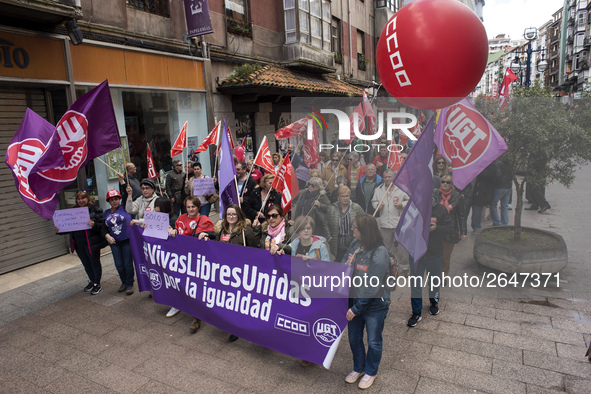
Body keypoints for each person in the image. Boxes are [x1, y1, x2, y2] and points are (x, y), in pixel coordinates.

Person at [343, 214, 390, 390]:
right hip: (355, 301)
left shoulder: (380, 252)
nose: (352, 229)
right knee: (354, 338)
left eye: (355, 227)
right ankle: (359, 368)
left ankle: (371, 371)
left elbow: (372, 286)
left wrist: (357, 308)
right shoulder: (355, 245)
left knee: (373, 340)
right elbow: (343, 264)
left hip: (374, 306)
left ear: (364, 231)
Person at [198, 204, 257, 343]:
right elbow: (218, 242)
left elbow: (254, 250)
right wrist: (207, 235)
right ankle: (227, 321)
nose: (231, 217)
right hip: (224, 270)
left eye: (234, 214)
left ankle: (235, 328)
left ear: (239, 216)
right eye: (228, 214)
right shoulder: (221, 229)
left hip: (239, 271)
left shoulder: (245, 230)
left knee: (237, 299)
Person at [168, 196, 214, 333]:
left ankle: (197, 317)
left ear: (198, 207)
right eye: (188, 207)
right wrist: (173, 232)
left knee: (195, 287)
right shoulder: (181, 218)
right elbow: (177, 231)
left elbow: (212, 236)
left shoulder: (204, 220)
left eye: (193, 206)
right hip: (181, 258)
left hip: (196, 260)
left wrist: (205, 235)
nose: (190, 209)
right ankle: (178, 304)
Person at [407, 195, 453, 328]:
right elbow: (406, 227)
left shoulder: (441, 209)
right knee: (416, 283)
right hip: (416, 253)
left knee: (434, 280)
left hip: (434, 253)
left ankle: (434, 301)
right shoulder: (413, 209)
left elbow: (449, 228)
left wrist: (436, 228)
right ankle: (416, 312)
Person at [55, 191, 106, 295]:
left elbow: (103, 226)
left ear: (88, 199)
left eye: (83, 198)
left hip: (91, 242)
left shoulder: (96, 209)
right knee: (86, 263)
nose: (81, 201)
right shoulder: (73, 211)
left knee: (94, 263)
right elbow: (69, 227)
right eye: (78, 199)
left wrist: (94, 224)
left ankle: (97, 283)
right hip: (78, 243)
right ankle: (92, 280)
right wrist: (59, 230)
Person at [371, 168, 410, 272]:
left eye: (389, 177)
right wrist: (377, 205)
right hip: (385, 223)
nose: (387, 179)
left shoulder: (402, 189)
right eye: (385, 177)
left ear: (394, 177)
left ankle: (405, 267)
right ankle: (390, 267)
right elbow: (374, 201)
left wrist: (402, 204)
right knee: (387, 247)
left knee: (403, 248)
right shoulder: (379, 189)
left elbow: (410, 201)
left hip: (399, 223)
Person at [433, 174, 467, 275]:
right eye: (443, 181)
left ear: (452, 185)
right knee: (434, 255)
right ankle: (434, 274)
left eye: (448, 182)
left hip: (450, 230)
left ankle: (443, 275)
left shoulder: (458, 197)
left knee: (445, 256)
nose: (445, 184)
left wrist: (463, 232)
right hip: (435, 228)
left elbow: (461, 216)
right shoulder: (435, 193)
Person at [102, 190, 135, 295]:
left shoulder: (125, 208)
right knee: (119, 264)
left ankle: (130, 283)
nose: (114, 202)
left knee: (128, 263)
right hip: (114, 242)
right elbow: (103, 228)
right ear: (109, 202)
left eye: (116, 199)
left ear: (119, 199)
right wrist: (107, 236)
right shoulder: (106, 213)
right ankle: (123, 281)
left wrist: (124, 184)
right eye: (112, 200)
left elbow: (126, 194)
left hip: (126, 240)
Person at [326, 186, 365, 261]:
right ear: (338, 197)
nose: (345, 198)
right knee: (339, 261)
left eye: (347, 196)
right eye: (342, 196)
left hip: (353, 241)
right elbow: (326, 224)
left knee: (352, 261)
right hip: (338, 241)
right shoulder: (332, 208)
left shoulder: (356, 207)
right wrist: (329, 237)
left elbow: (364, 222)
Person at [470, 164, 496, 235]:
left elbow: (491, 175)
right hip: (469, 192)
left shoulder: (490, 165)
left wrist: (478, 169)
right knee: (464, 211)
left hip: (479, 193)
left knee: (477, 211)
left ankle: (476, 227)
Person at [491, 155, 513, 226]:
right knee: (504, 205)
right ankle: (504, 223)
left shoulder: (497, 164)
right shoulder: (509, 164)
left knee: (493, 204)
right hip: (508, 186)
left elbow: (497, 175)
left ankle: (496, 222)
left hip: (500, 187)